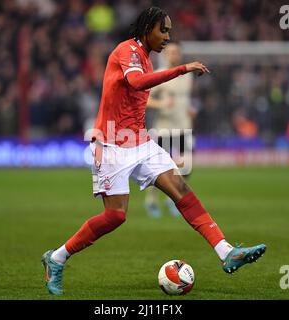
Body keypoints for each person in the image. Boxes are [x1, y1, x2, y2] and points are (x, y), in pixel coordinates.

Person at [41, 7, 266, 296]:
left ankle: (226, 252)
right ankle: (56, 258)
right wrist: (182, 68)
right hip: (111, 144)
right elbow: (135, 83)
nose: (168, 37)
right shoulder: (127, 51)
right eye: (164, 30)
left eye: (170, 31)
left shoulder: (146, 58)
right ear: (148, 28)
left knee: (181, 188)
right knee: (115, 217)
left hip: (141, 141)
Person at [144, 41, 196, 218]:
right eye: (171, 52)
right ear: (165, 54)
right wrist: (161, 104)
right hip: (164, 129)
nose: (175, 55)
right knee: (160, 170)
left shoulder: (187, 76)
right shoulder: (160, 76)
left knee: (184, 168)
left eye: (177, 52)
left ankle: (172, 200)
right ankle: (151, 201)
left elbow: (185, 100)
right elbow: (144, 100)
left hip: (184, 127)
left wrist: (189, 109)